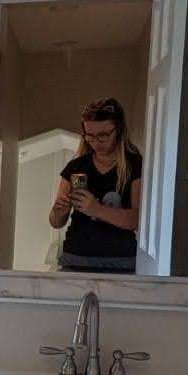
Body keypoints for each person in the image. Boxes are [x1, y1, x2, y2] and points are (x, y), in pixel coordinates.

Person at [48, 97, 142, 273]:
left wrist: (96, 209)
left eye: (103, 135)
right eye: (89, 135)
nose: (95, 142)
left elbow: (136, 220)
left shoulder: (135, 165)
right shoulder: (76, 166)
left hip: (120, 261)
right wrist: (58, 211)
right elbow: (56, 222)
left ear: (119, 130)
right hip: (75, 259)